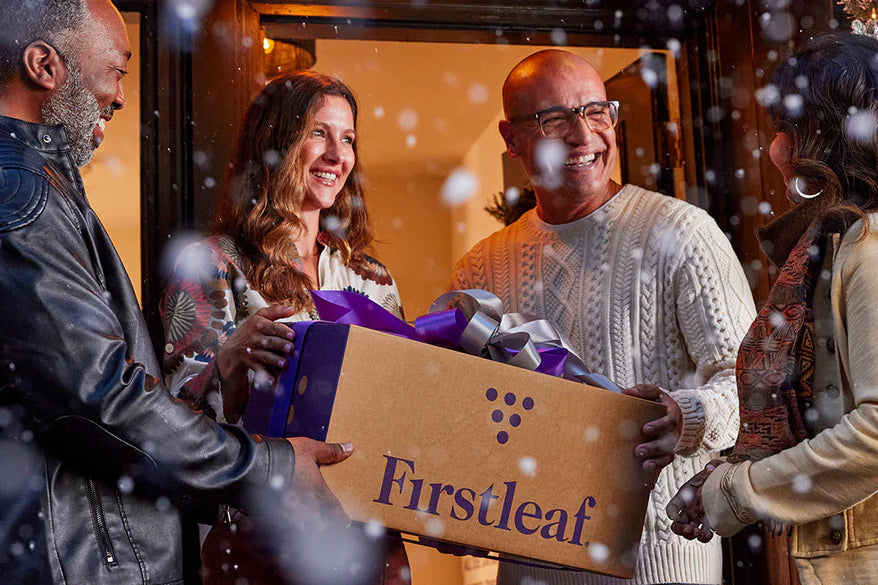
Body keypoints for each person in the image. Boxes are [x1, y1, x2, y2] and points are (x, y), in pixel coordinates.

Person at [0, 2, 352, 584]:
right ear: (45, 66)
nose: (119, 96)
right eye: (115, 71)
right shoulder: (24, 197)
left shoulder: (40, 189)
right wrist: (270, 467)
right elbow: (102, 399)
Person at [449, 49, 756, 585]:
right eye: (554, 119)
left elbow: (753, 382)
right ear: (512, 137)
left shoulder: (683, 233)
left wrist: (689, 416)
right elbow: (459, 411)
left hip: (661, 565)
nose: (583, 134)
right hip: (531, 563)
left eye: (596, 111)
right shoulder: (480, 267)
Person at [160, 71, 408, 585]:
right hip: (256, 538)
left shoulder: (374, 280)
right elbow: (169, 425)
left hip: (364, 535)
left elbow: (399, 413)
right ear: (273, 144)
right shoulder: (211, 265)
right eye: (318, 133)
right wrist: (229, 360)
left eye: (348, 139)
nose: (337, 155)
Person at [667, 33, 878, 585]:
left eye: (786, 130)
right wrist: (733, 472)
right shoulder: (833, 240)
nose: (774, 150)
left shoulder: (870, 247)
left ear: (827, 138)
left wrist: (737, 492)